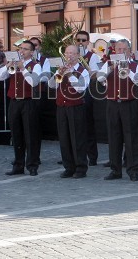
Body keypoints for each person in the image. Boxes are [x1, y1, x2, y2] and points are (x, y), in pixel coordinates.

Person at [98, 39, 138, 181]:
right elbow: (99, 79)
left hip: (128, 104)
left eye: (124, 49)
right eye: (119, 49)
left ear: (129, 51)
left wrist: (128, 71)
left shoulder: (136, 65)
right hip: (112, 104)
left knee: (131, 138)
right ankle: (115, 170)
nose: (121, 52)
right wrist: (110, 68)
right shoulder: (109, 64)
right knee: (114, 137)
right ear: (115, 51)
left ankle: (133, 170)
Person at [0, 40, 42, 176]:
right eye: (21, 49)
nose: (22, 51)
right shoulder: (14, 64)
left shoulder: (35, 66)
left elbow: (33, 82)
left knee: (30, 134)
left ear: (32, 52)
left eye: (26, 49)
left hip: (28, 102)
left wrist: (23, 69)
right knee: (16, 134)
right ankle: (18, 165)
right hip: (14, 102)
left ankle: (32, 165)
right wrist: (7, 66)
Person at [48, 45, 90, 178]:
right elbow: (51, 85)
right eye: (67, 53)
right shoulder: (62, 68)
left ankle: (80, 167)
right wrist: (58, 73)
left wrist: (70, 74)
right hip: (61, 107)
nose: (69, 56)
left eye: (72, 53)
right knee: (64, 138)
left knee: (77, 138)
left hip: (76, 106)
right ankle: (68, 167)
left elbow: (80, 88)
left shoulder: (83, 71)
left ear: (78, 55)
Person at [75, 31, 101, 166]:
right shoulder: (70, 55)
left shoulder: (93, 57)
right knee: (75, 126)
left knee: (88, 125)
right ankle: (75, 154)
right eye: (78, 40)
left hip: (87, 92)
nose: (80, 43)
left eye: (83, 40)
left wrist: (84, 65)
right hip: (72, 92)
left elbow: (94, 75)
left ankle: (92, 156)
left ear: (88, 42)